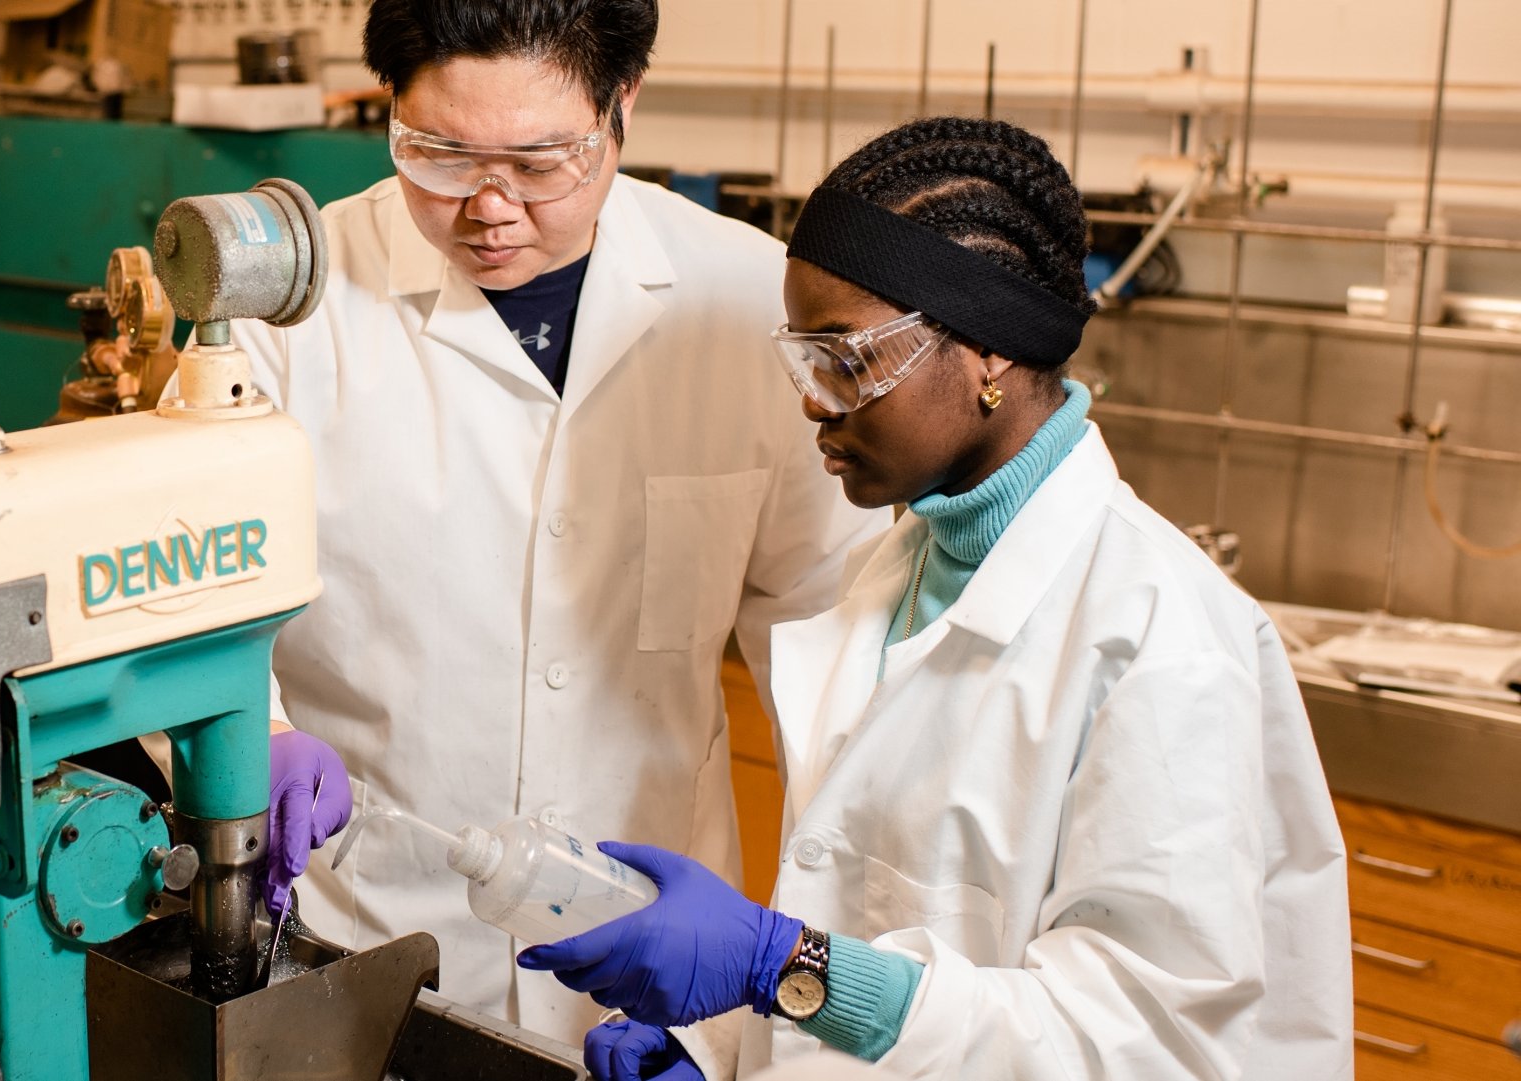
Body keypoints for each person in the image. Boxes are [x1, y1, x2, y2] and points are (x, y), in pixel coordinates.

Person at [517, 117, 1353, 1080]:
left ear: (989, 351)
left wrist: (778, 965)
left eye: (847, 361)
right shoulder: (903, 566)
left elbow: (1142, 1044)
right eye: (802, 359)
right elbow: (881, 931)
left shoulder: (1161, 639)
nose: (811, 402)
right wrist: (722, 1048)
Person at [226, 0, 886, 1052]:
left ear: (622, 107)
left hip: (656, 957)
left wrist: (785, 975)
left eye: (542, 164)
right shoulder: (282, 311)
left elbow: (837, 663)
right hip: (368, 936)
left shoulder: (744, 297)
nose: (489, 207)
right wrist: (246, 734)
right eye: (436, 154)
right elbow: (175, 602)